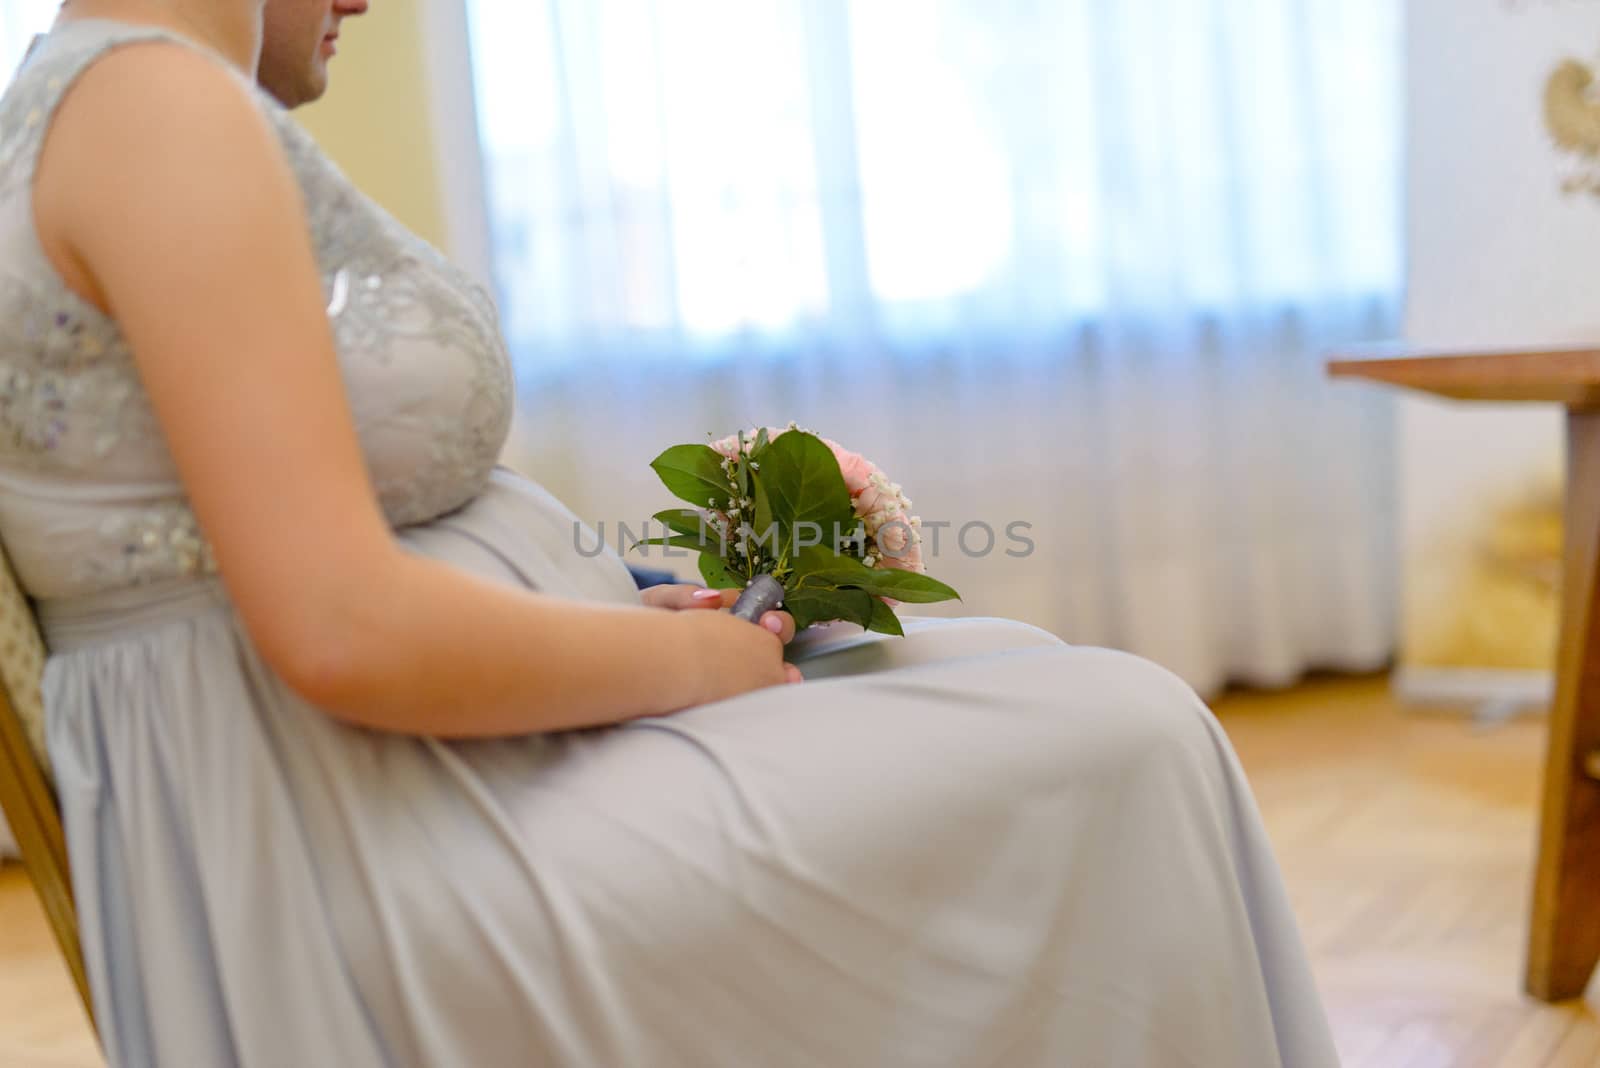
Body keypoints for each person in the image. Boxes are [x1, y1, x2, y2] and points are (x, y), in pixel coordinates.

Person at [0, 0, 1341, 1064]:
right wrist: (694, 667)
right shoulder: (156, 109)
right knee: (1121, 738)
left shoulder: (113, 99)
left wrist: (599, 623)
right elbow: (339, 628)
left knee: (1023, 680)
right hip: (367, 841)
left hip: (395, 780)